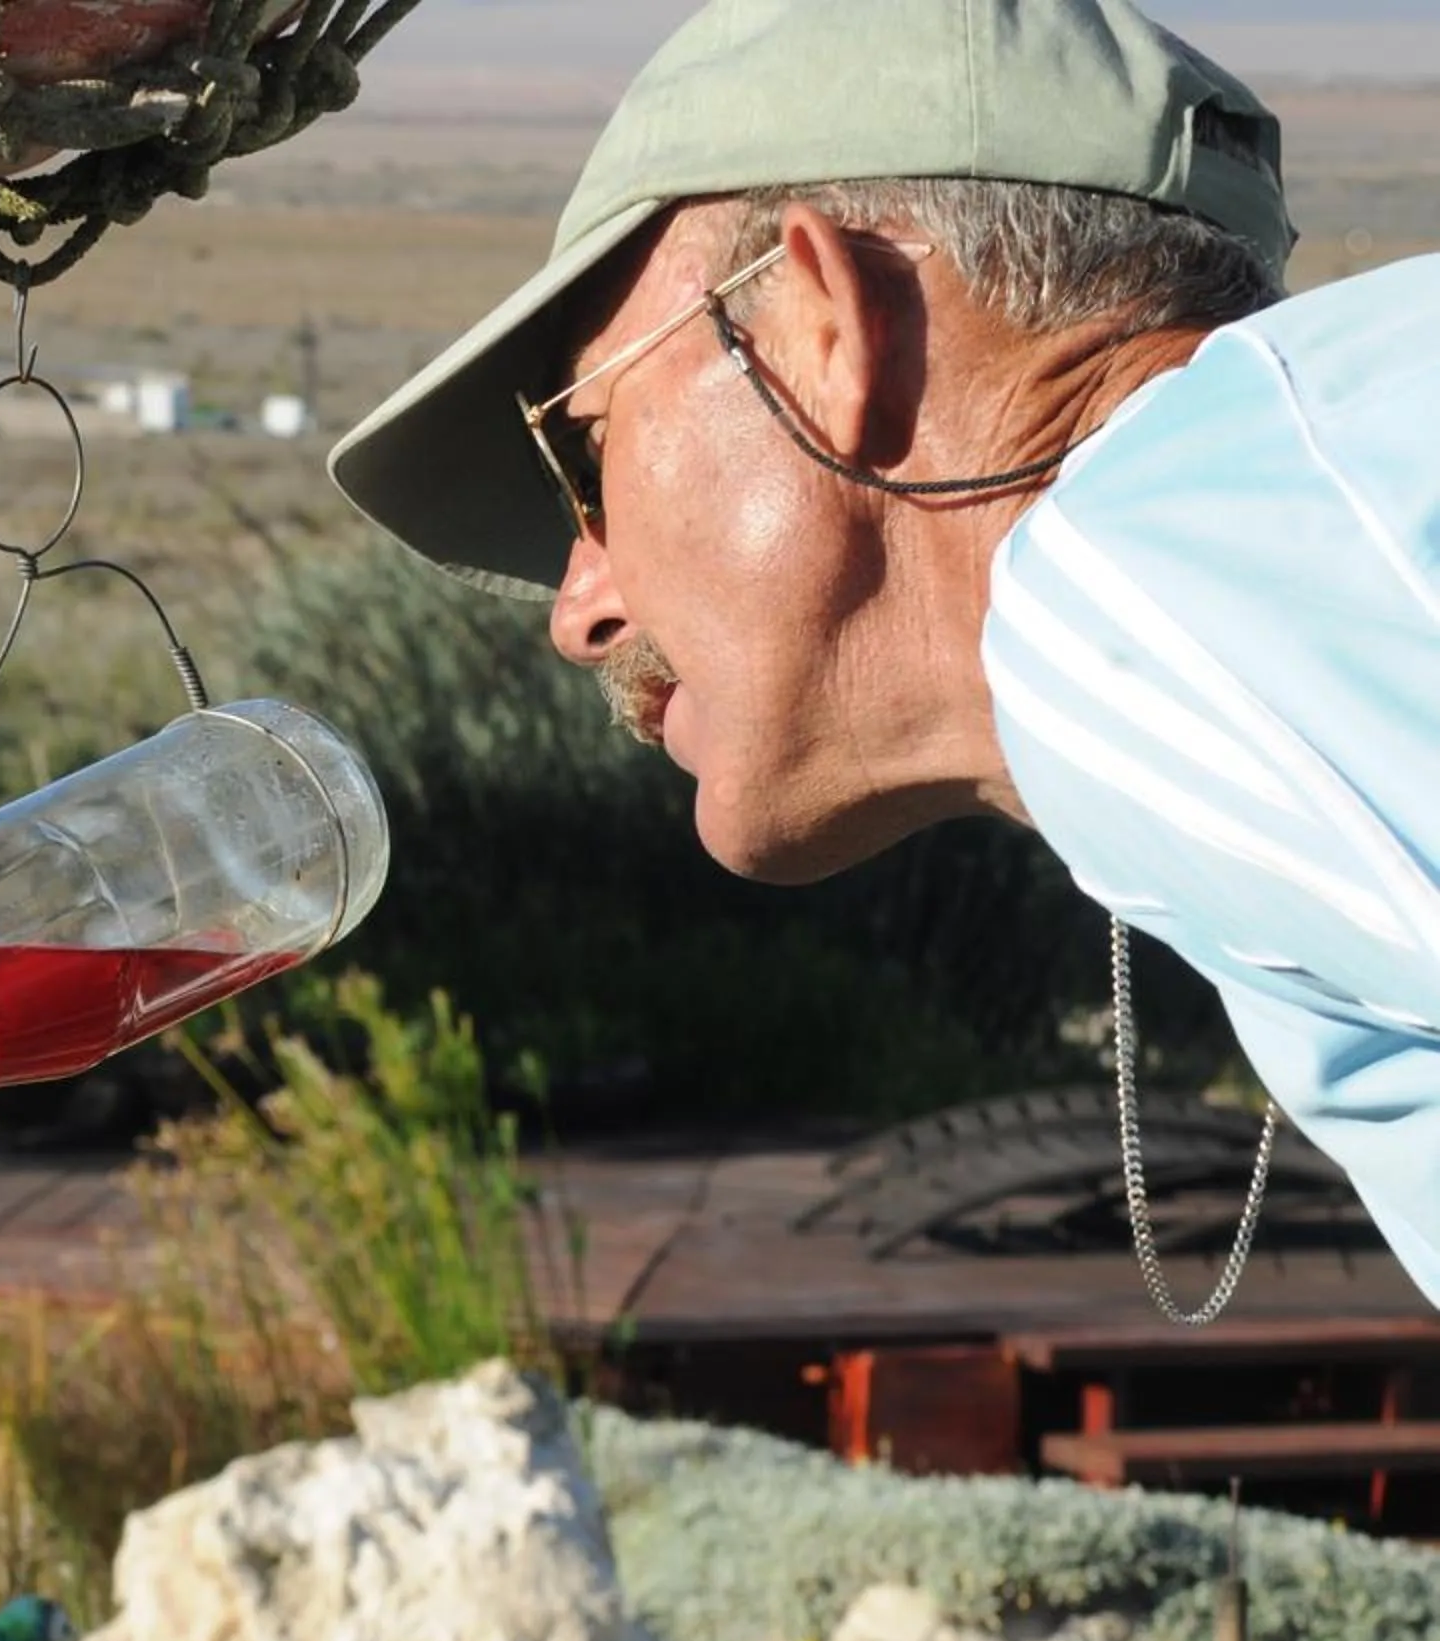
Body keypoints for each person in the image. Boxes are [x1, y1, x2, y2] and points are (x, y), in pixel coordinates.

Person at [326, 0, 1440, 1311]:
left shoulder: (1138, 573)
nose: (580, 611)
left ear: (822, 331)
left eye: (584, 453)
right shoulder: (1294, 528)